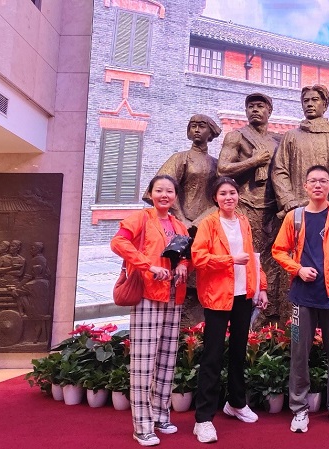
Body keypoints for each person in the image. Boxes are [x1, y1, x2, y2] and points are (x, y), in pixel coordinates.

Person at [272, 165, 329, 433]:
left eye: (323, 181)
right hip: (302, 297)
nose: (318, 185)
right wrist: (298, 269)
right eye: (313, 181)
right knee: (299, 353)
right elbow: (278, 250)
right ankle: (299, 409)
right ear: (305, 186)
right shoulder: (295, 217)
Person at [111, 175, 191, 447]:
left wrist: (183, 266)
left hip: (174, 295)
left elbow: (184, 256)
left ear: (175, 196)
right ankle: (142, 426)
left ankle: (160, 415)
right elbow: (118, 242)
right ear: (150, 193)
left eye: (169, 191)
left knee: (167, 359)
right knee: (144, 363)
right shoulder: (141, 219)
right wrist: (147, 264)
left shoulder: (179, 225)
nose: (164, 195)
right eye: (159, 190)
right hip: (147, 293)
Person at [191, 176, 269, 444]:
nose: (228, 197)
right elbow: (198, 258)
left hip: (243, 295)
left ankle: (236, 403)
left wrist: (262, 287)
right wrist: (230, 260)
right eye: (223, 193)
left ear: (238, 196)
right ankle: (203, 419)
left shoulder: (243, 221)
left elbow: (253, 257)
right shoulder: (209, 224)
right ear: (215, 198)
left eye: (232, 193)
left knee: (238, 351)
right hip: (217, 297)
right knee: (212, 356)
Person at [217, 92, 282, 319]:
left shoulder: (278, 141)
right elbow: (222, 168)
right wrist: (254, 161)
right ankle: (240, 312)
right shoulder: (237, 136)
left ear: (269, 111)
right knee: (244, 258)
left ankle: (268, 313)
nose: (255, 109)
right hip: (245, 205)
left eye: (260, 106)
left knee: (271, 259)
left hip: (273, 208)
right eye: (251, 106)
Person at [272, 85, 329, 219]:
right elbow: (279, 170)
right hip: (298, 211)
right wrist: (288, 200)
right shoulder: (291, 136)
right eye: (306, 101)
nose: (309, 104)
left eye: (315, 100)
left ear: (325, 104)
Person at [144, 114, 222, 228]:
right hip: (183, 222)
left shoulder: (216, 163)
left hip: (209, 222)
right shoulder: (179, 158)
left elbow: (223, 194)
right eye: (193, 126)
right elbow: (161, 189)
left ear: (210, 132)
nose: (197, 130)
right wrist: (182, 219)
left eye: (201, 126)